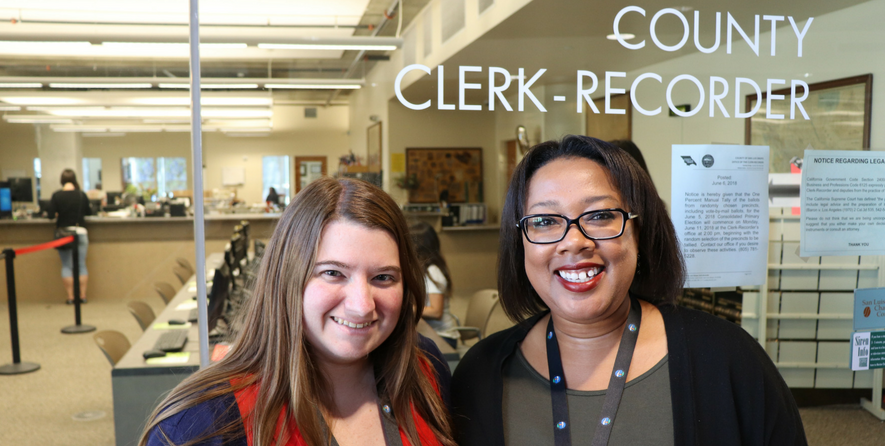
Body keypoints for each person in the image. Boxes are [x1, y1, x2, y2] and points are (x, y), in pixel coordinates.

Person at [451, 136, 806, 446]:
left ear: (640, 233)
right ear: (520, 244)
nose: (574, 242)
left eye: (601, 216)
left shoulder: (726, 358)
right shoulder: (479, 375)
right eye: (544, 221)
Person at [141, 178, 455, 446]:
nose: (362, 305)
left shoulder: (425, 370)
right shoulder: (201, 422)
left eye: (383, 277)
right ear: (288, 278)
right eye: (333, 273)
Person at [409, 222, 460, 348]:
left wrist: (409, 308)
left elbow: (436, 312)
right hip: (431, 333)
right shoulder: (424, 270)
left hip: (443, 337)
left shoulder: (433, 272)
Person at [50, 169, 92, 304]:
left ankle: (70, 297)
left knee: (67, 266)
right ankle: (83, 296)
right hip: (80, 232)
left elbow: (50, 214)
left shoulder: (56, 196)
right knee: (81, 265)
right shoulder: (81, 195)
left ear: (61, 180)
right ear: (75, 179)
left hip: (64, 234)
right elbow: (89, 212)